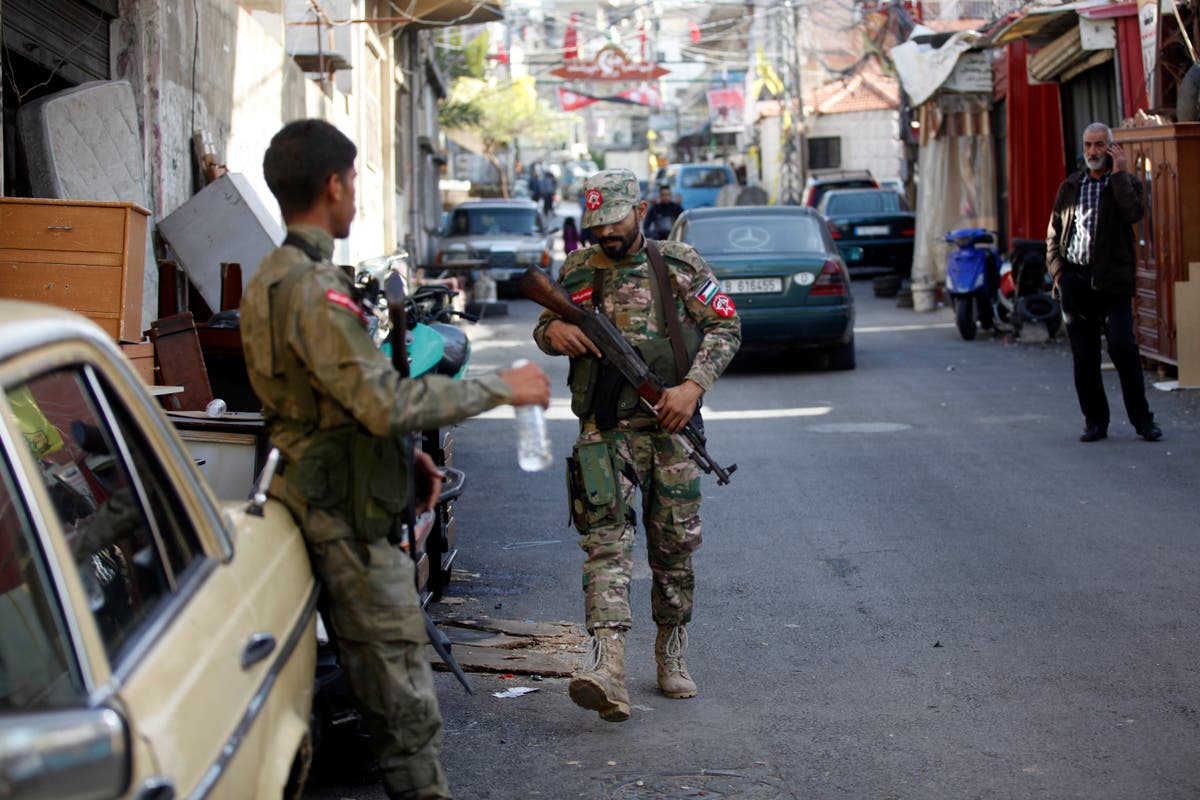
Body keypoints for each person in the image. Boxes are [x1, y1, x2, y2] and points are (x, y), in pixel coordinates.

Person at [240, 119, 550, 800]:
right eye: (353, 180)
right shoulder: (317, 292)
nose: (354, 194)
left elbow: (323, 403)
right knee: (405, 711)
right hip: (346, 522)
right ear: (333, 185)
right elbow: (382, 403)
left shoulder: (270, 277)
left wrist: (400, 460)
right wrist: (505, 386)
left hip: (322, 492)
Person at [531, 169, 741, 722]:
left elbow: (726, 327)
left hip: (670, 431)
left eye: (615, 222)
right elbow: (545, 322)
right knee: (605, 544)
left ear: (642, 211)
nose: (606, 235)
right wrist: (553, 334)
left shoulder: (679, 264)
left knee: (673, 550)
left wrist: (691, 389)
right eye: (596, 225)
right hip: (604, 433)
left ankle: (671, 652)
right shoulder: (577, 269)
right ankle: (608, 667)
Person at [1046, 121, 1162, 443]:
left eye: (1099, 145)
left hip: (1113, 284)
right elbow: (1053, 234)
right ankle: (1095, 422)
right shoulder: (1070, 186)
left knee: (1124, 349)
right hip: (1076, 281)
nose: (1093, 152)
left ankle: (1143, 421)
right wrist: (1059, 274)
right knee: (1085, 358)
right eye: (1088, 145)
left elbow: (1134, 214)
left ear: (1111, 148)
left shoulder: (1124, 183)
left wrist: (1120, 174)